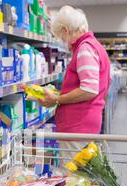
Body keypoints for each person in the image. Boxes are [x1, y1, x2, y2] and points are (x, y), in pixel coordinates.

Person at [38, 6, 111, 160]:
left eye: (61, 37)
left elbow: (89, 89)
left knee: (73, 179)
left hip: (78, 126)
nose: (63, 42)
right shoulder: (94, 46)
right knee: (80, 178)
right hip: (84, 124)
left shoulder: (85, 49)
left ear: (66, 30)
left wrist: (57, 99)